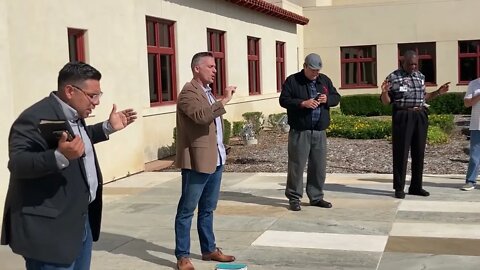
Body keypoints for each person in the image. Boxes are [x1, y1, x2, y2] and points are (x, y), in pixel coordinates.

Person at [0, 62, 137, 270]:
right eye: (92, 96)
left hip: (79, 220)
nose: (97, 102)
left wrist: (107, 128)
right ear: (70, 91)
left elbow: (80, 139)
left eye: (99, 95)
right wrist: (58, 156)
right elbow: (18, 163)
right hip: (50, 230)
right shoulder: (34, 117)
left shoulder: (75, 113)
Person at [174, 52, 236, 270]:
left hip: (216, 159)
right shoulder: (187, 93)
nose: (214, 70)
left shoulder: (208, 93)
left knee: (208, 209)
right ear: (197, 69)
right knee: (187, 210)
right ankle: (182, 255)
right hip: (197, 161)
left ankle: (209, 249)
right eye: (210, 66)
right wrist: (224, 101)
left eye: (215, 67)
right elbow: (201, 116)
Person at [381, 50, 449, 199]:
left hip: (420, 114)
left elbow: (424, 97)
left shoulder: (420, 76)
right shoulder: (393, 77)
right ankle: (399, 188)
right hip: (403, 115)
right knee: (401, 152)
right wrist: (384, 92)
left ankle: (416, 187)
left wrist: (438, 92)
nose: (413, 67)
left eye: (415, 64)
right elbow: (386, 102)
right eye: (410, 64)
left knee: (419, 152)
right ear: (403, 62)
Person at [279, 53, 341, 211]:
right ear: (305, 66)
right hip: (300, 131)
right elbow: (283, 100)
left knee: (319, 166)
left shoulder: (324, 80)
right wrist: (302, 103)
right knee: (297, 165)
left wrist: (327, 99)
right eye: (312, 70)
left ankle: (316, 196)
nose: (315, 73)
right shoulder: (293, 80)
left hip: (319, 131)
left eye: (318, 70)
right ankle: (294, 197)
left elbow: (336, 97)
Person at [461, 77, 480, 191]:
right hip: (477, 125)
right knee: (474, 156)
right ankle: (470, 181)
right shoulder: (474, 84)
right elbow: (467, 103)